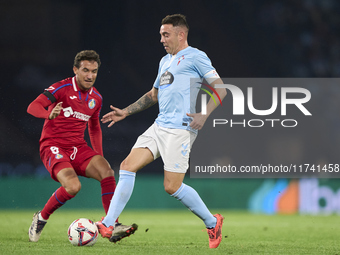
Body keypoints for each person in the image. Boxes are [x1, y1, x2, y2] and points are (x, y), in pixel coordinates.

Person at [98, 14, 227, 248]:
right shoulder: (165, 61)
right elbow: (153, 95)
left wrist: (204, 114)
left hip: (181, 130)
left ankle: (212, 222)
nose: (161, 39)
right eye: (160, 34)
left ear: (181, 34)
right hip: (159, 126)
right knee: (127, 166)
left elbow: (220, 88)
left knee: (172, 187)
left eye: (165, 34)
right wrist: (126, 111)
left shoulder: (196, 57)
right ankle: (108, 223)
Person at [27, 50, 137, 243]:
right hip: (53, 145)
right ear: (75, 70)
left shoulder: (96, 98)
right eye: (85, 70)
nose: (90, 75)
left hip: (77, 147)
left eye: (94, 71)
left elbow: (94, 129)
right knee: (72, 186)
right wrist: (48, 115)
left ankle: (111, 224)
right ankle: (41, 218)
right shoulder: (61, 88)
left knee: (107, 171)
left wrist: (98, 157)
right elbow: (33, 106)